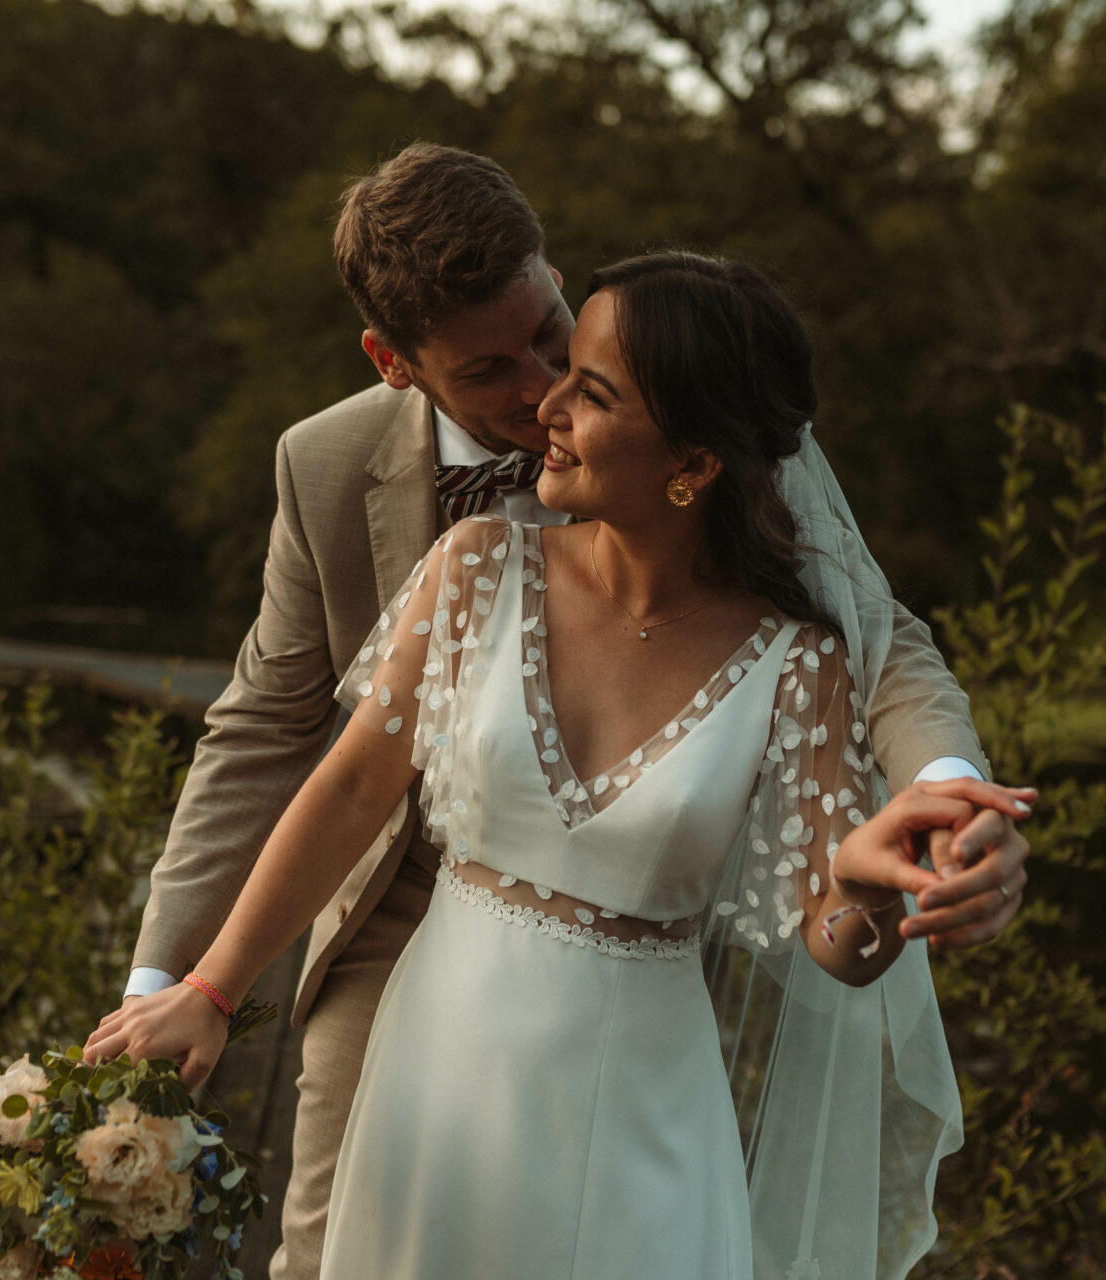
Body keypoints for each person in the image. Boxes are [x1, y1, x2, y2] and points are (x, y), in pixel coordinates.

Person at [98, 144, 1030, 1280]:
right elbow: (296, 752)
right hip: (412, 941)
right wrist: (192, 984)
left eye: (563, 349)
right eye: (500, 369)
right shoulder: (431, 532)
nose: (544, 392)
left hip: (637, 1061)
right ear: (396, 362)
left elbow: (885, 701)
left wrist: (913, 837)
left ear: (694, 463)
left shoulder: (707, 417)